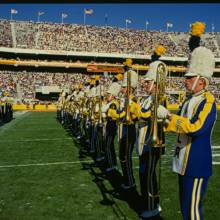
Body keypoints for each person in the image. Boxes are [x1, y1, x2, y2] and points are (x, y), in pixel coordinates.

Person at [157, 46, 217, 220]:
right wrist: (165, 121)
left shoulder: (208, 101)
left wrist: (169, 116)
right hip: (183, 159)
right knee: (185, 208)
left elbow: (195, 128)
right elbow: (180, 124)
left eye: (190, 78)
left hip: (196, 163)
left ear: (202, 81)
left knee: (192, 211)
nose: (185, 80)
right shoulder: (189, 101)